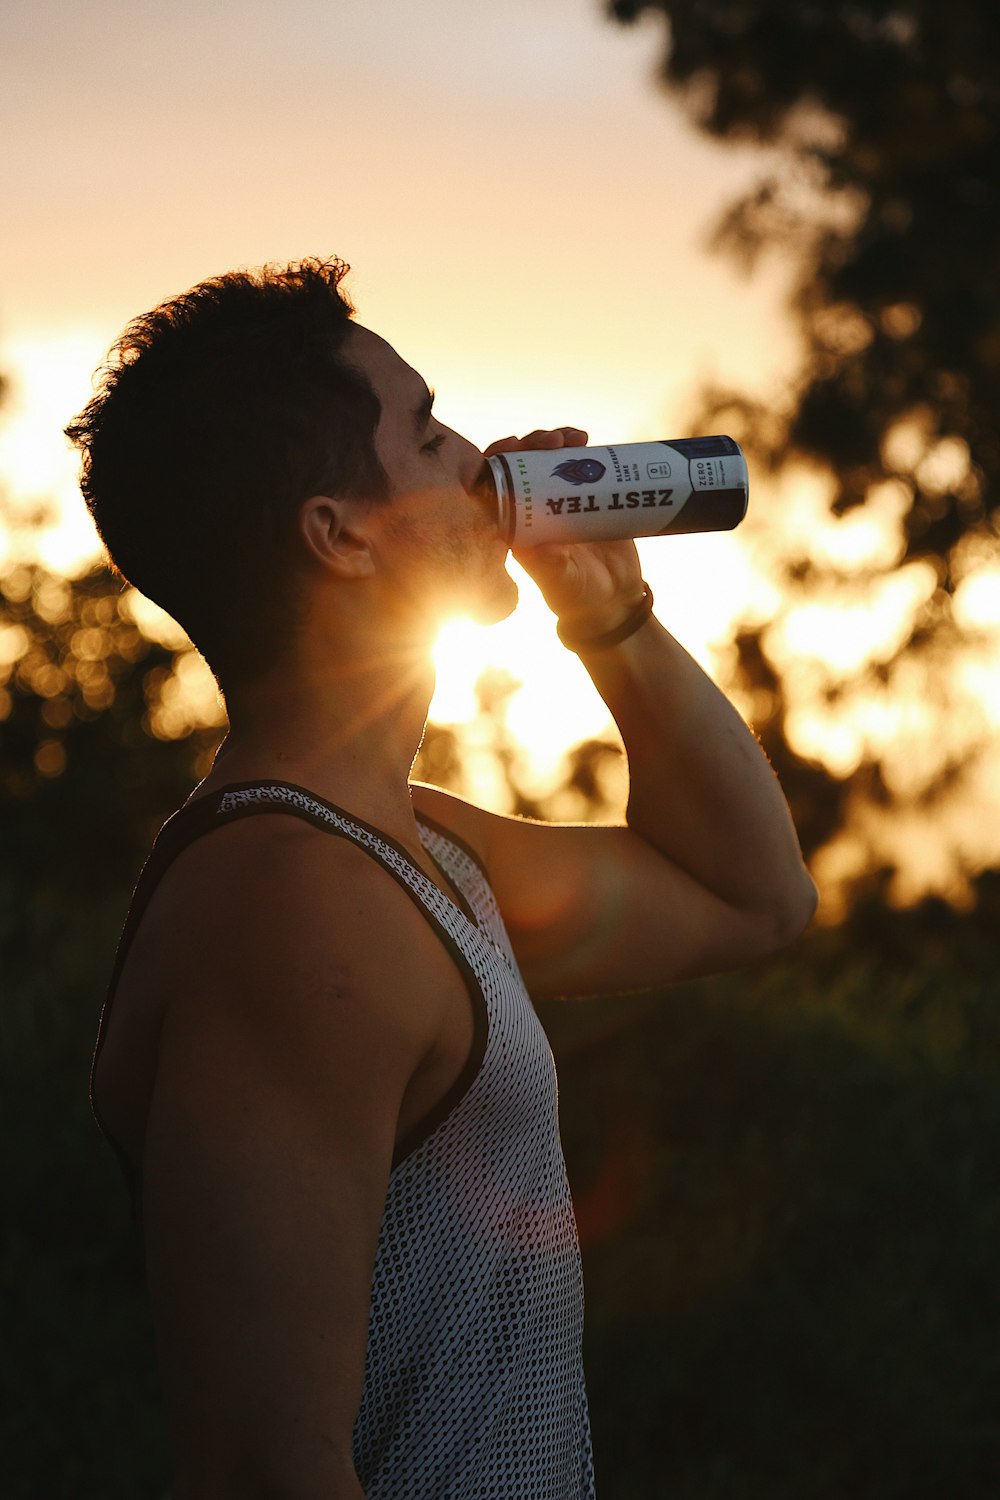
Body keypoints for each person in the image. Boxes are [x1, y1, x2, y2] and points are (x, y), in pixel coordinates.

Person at [66, 257, 817, 1500]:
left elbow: (754, 901)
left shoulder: (410, 850)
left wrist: (612, 622)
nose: (477, 456)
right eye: (422, 430)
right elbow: (265, 1467)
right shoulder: (292, 905)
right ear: (340, 535)